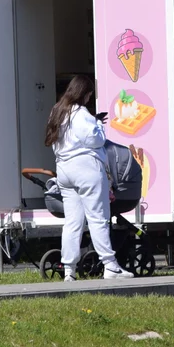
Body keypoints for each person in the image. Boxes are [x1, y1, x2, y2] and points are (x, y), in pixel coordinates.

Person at [44, 75, 132, 281]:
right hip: (86, 169)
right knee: (98, 218)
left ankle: (69, 270)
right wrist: (98, 124)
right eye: (89, 94)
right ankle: (111, 266)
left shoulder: (57, 111)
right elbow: (95, 140)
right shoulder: (81, 113)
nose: (89, 98)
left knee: (72, 222)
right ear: (83, 93)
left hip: (64, 170)